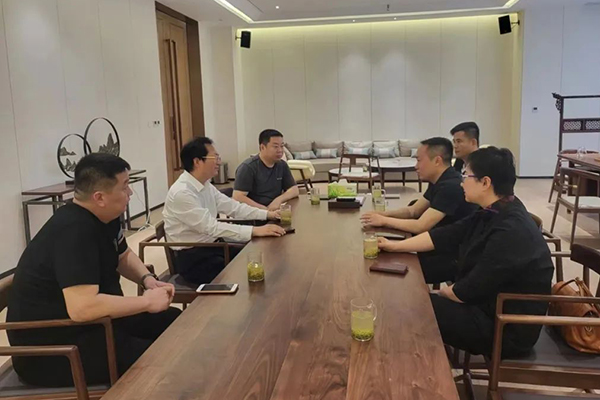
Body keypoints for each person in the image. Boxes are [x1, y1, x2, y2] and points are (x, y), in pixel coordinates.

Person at [7, 153, 181, 387]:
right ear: (99, 197)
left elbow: (123, 255)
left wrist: (147, 279)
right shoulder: (73, 231)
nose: (130, 193)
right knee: (162, 359)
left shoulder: (106, 216)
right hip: (53, 349)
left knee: (173, 322)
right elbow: (82, 308)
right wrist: (147, 302)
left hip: (95, 324)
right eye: (125, 187)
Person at [378, 147, 554, 358]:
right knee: (412, 298)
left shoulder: (510, 230)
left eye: (465, 175)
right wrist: (393, 246)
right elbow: (448, 234)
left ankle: (417, 372)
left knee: (412, 306)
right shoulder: (497, 208)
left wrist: (429, 295)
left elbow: (467, 290)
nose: (461, 182)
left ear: (485, 182)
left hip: (505, 329)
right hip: (488, 307)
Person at [163, 137, 286, 285]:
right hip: (193, 258)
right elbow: (211, 227)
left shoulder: (205, 185)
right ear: (197, 162)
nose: (219, 162)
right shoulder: (182, 192)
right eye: (214, 157)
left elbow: (233, 207)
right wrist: (255, 230)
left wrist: (267, 214)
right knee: (246, 275)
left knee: (262, 259)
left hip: (213, 247)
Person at [361, 137, 477, 234]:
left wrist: (384, 221)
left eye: (419, 160)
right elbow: (413, 211)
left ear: (437, 161)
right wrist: (382, 215)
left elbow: (420, 226)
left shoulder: (450, 186)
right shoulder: (439, 179)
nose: (416, 166)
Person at [233, 129, 299, 211]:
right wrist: (265, 211)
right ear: (262, 147)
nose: (280, 150)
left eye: (282, 146)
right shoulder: (247, 167)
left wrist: (278, 200)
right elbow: (238, 197)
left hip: (274, 211)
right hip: (254, 214)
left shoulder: (282, 165)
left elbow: (294, 190)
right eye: (275, 146)